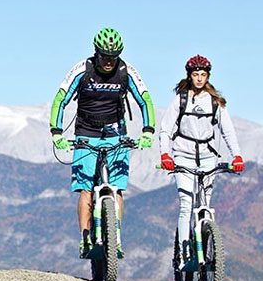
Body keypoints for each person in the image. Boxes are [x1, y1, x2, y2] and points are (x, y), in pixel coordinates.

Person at [49, 27, 156, 258]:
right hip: (86, 133)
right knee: (85, 189)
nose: (109, 62)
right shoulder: (82, 70)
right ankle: (85, 237)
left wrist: (148, 130)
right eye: (105, 57)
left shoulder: (127, 71)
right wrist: (56, 132)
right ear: (96, 53)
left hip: (116, 133)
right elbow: (61, 98)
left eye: (113, 57)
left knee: (117, 188)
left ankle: (115, 237)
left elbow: (145, 99)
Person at [158, 54, 244, 265]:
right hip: (183, 158)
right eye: (195, 74)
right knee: (186, 204)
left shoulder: (215, 102)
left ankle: (207, 244)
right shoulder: (181, 99)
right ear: (190, 75)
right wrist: (165, 154)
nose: (199, 78)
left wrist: (237, 155)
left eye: (202, 75)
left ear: (208, 76)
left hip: (208, 159)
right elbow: (165, 130)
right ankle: (184, 253)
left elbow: (228, 131)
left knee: (205, 204)